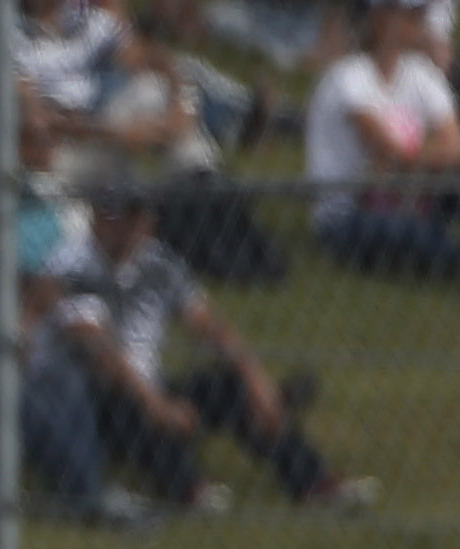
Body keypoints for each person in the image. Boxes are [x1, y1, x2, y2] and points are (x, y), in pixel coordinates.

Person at [63, 167, 356, 512]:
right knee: (128, 402)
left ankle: (312, 481)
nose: (133, 226)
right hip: (92, 399)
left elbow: (209, 324)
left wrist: (255, 380)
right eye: (121, 217)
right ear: (98, 220)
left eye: (137, 215)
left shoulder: (158, 261)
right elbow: (99, 353)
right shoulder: (72, 265)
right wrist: (157, 404)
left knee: (230, 387)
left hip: (150, 385)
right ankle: (188, 488)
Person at [313, 0, 460, 278]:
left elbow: (452, 140)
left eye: (420, 13)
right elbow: (393, 157)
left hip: (416, 196)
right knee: (402, 234)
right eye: (410, 14)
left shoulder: (420, 73)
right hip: (350, 215)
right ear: (379, 17)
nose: (420, 23)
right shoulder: (347, 78)